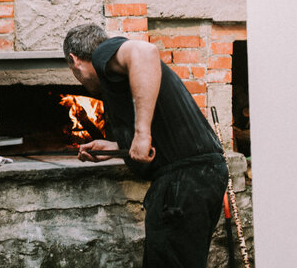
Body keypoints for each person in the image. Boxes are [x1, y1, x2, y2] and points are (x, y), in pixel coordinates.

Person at [63, 23, 228, 268]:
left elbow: (145, 52)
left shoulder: (102, 53)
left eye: (72, 70)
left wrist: (142, 134)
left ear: (74, 60)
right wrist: (115, 146)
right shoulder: (116, 72)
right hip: (198, 177)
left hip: (182, 182)